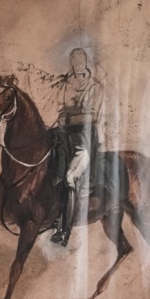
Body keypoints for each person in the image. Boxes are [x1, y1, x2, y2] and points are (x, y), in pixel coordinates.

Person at [50, 48, 104, 246]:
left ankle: (64, 231)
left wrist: (70, 115)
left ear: (85, 62)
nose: (76, 64)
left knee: (69, 177)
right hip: (64, 139)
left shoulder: (95, 87)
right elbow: (60, 112)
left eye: (79, 61)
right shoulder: (65, 85)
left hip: (83, 142)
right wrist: (71, 114)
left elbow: (92, 116)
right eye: (73, 60)